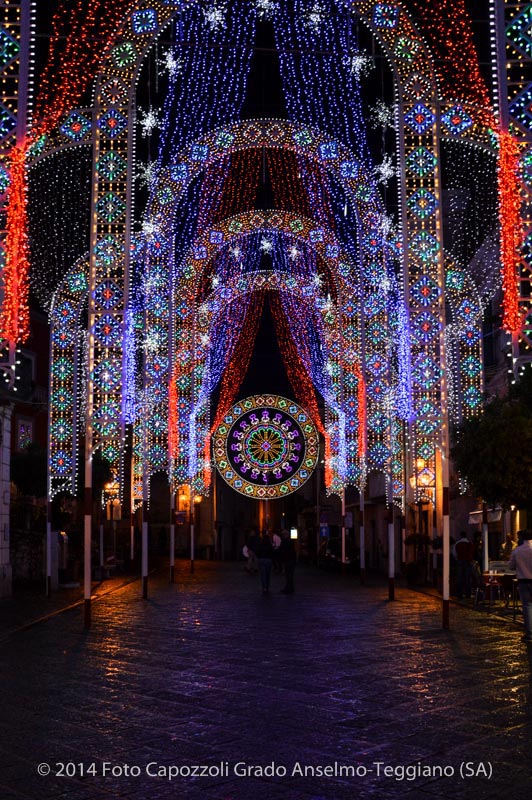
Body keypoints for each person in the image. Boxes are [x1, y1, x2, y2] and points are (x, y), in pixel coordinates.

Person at [509, 530, 532, 643]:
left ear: (521, 538)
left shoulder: (517, 551)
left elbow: (511, 566)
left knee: (527, 606)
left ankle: (529, 633)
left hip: (523, 580)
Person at [453, 531, 474, 599]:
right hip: (468, 561)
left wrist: (457, 558)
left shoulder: (457, 543)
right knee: (468, 578)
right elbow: (472, 552)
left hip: (460, 561)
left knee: (460, 578)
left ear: (461, 536)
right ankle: (468, 594)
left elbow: (454, 553)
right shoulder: (469, 543)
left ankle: (460, 594)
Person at [279, 529, 296, 594]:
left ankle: (288, 588)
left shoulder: (285, 541)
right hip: (291, 559)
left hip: (288, 560)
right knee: (290, 575)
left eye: (283, 535)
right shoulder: (290, 541)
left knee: (288, 574)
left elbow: (283, 550)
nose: (282, 536)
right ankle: (290, 587)